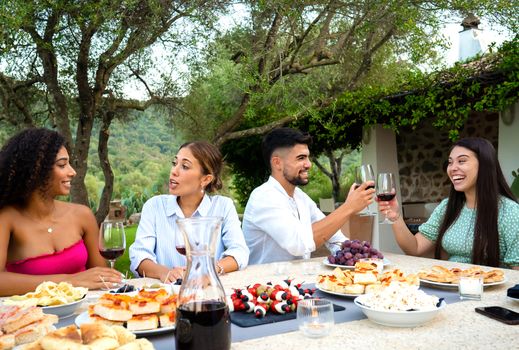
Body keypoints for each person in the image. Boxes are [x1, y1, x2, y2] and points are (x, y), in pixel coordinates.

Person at [0, 128, 122, 296]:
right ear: (36, 170)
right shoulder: (7, 218)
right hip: (32, 318)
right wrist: (70, 281)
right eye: (62, 165)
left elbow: (100, 278)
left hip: (84, 314)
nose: (72, 172)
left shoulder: (82, 215)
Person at [378, 137, 519, 269]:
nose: (452, 168)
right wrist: (395, 217)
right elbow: (415, 248)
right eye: (450, 162)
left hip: (489, 290)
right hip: (448, 283)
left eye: (462, 161)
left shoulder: (510, 212)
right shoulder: (447, 207)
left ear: (485, 165)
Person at [242, 127, 375, 264]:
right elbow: (299, 244)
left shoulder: (300, 197)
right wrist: (349, 207)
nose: (309, 164)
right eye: (301, 158)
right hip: (265, 283)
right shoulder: (264, 198)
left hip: (297, 281)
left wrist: (359, 257)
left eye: (308, 157)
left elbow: (335, 238)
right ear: (277, 163)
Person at [129, 141, 249, 282]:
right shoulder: (154, 206)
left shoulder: (223, 206)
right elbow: (139, 256)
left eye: (185, 166)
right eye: (175, 163)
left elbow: (240, 252)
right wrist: (165, 273)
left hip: (209, 294)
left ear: (205, 179)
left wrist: (210, 271)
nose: (174, 171)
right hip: (166, 295)